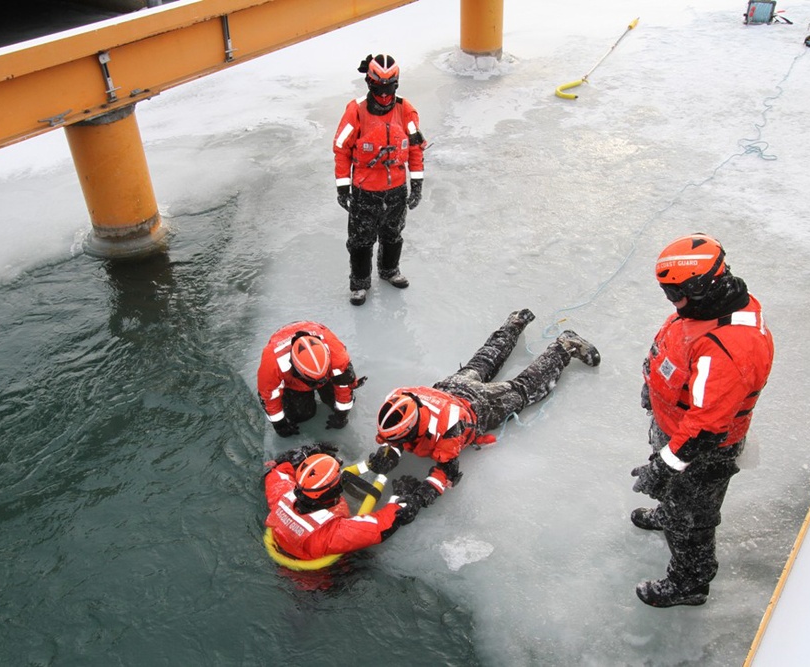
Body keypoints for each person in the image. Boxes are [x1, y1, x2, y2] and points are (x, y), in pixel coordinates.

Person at [629, 233, 774, 608]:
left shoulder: (731, 345)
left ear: (704, 284)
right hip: (676, 429)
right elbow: (676, 355)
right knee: (677, 501)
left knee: (692, 521)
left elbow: (707, 429)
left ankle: (690, 583)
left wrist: (663, 468)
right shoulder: (700, 311)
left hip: (703, 451)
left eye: (678, 293)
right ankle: (668, 509)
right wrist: (653, 389)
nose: (673, 302)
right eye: (668, 293)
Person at [365, 309, 600, 506]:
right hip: (452, 389)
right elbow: (399, 436)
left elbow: (447, 471)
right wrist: (390, 451)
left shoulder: (447, 434)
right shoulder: (402, 398)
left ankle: (565, 346)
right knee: (485, 360)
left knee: (525, 390)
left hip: (480, 407)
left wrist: (423, 495)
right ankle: (514, 323)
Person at [332, 53, 426, 306]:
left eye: (389, 87)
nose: (384, 94)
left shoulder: (406, 110)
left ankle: (389, 271)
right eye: (379, 87)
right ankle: (360, 283)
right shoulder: (356, 111)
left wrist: (416, 184)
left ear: (396, 84)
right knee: (361, 240)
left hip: (396, 189)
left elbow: (416, 148)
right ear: (369, 83)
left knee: (393, 234)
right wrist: (343, 187)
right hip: (365, 191)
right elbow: (341, 148)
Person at [264, 443, 427, 560]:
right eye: (337, 478)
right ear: (333, 490)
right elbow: (380, 527)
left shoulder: (281, 495)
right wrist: (399, 498)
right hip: (317, 580)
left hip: (290, 547)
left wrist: (309, 453)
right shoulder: (331, 535)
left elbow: (277, 470)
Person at [257, 321, 365, 437]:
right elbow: (269, 397)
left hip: (324, 363)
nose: (321, 383)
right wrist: (280, 425)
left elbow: (344, 386)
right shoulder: (272, 365)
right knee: (301, 415)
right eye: (315, 380)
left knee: (336, 401)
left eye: (323, 378)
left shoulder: (337, 355)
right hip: (294, 384)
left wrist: (341, 415)